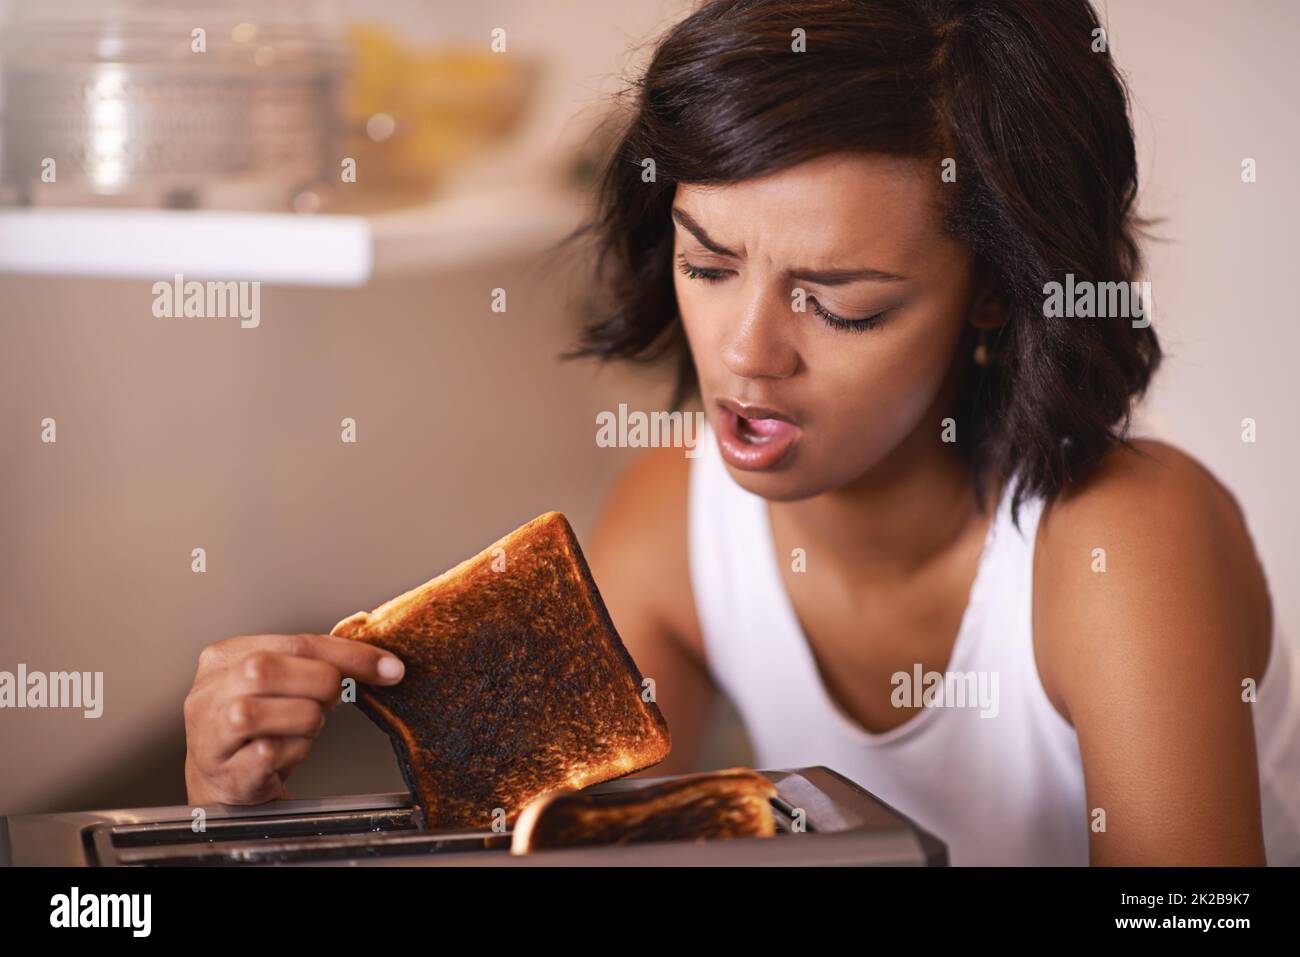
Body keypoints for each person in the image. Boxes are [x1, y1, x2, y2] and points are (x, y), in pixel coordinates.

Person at [182, 0, 1300, 864]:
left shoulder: (1123, 543)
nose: (745, 355)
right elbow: (550, 838)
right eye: (708, 266)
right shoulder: (681, 517)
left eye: (842, 301)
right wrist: (241, 815)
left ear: (997, 293)